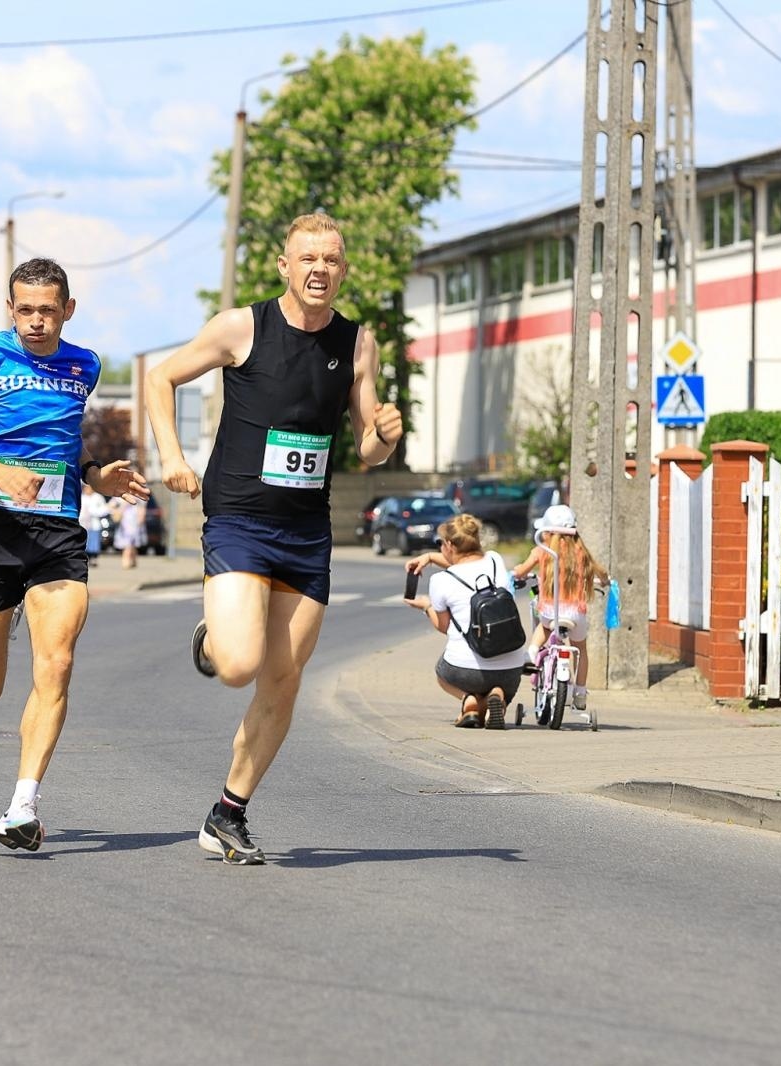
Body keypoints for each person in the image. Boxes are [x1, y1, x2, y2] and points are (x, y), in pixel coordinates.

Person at [146, 212, 402, 865]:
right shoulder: (242, 327)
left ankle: (228, 812)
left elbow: (368, 447)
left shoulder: (358, 343)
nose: (320, 269)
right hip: (238, 519)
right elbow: (159, 378)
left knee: (282, 681)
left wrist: (384, 436)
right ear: (285, 266)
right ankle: (216, 637)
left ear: (343, 270)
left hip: (306, 533)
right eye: (308, 258)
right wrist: (171, 456)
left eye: (331, 259)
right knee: (238, 666)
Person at [0, 257, 148, 852]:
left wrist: (96, 474)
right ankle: (9, 608)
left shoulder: (85, 364)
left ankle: (23, 804)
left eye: (48, 310)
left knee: (57, 662)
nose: (37, 322)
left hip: (57, 533)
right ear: (10, 309)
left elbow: (66, 440)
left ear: (68, 310)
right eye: (25, 310)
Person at [404, 513, 527, 729]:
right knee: (503, 680)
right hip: (511, 667)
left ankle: (468, 701)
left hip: (464, 671)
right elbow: (467, 563)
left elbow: (444, 627)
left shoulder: (440, 580)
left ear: (450, 545)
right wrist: (432, 557)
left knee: (441, 673)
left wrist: (426, 606)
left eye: (440, 543)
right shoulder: (495, 560)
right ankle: (499, 697)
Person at [510, 504, 608, 711]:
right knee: (580, 649)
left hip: (550, 612)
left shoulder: (542, 551)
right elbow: (601, 572)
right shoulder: (581, 552)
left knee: (544, 627)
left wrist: (516, 572)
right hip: (576, 615)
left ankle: (531, 652)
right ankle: (580, 692)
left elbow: (520, 572)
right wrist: (606, 581)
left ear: (546, 532)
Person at [111, 494, 145, 569]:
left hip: (134, 521)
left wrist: (141, 518)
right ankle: (128, 561)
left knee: (131, 543)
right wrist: (116, 511)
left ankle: (129, 561)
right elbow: (111, 505)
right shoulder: (120, 495)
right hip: (124, 522)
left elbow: (141, 507)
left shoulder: (137, 495)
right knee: (128, 543)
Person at [78, 482, 107, 566]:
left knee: (94, 542)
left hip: (94, 523)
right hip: (83, 524)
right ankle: (85, 558)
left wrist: (93, 512)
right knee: (84, 542)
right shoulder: (81, 497)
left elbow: (104, 509)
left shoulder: (98, 497)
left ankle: (94, 558)